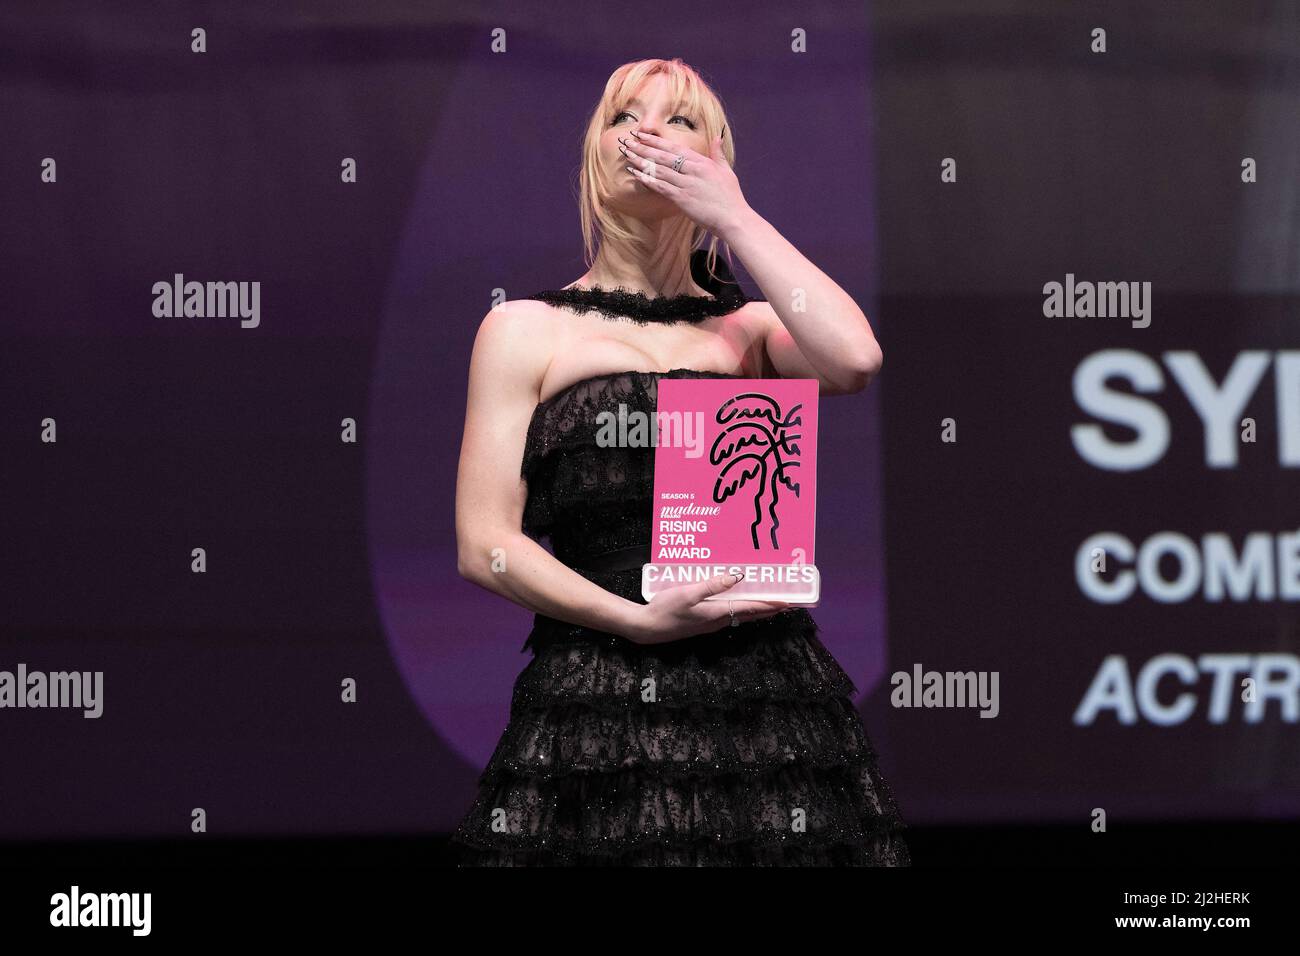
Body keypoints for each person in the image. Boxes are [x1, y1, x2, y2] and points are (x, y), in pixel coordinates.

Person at [450, 57, 911, 865]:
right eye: (626, 117)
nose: (650, 133)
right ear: (598, 152)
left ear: (716, 159)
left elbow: (855, 360)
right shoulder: (526, 329)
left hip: (764, 691)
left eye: (680, 120)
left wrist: (735, 218)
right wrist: (636, 621)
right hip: (601, 682)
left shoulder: (750, 331)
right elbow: (486, 543)